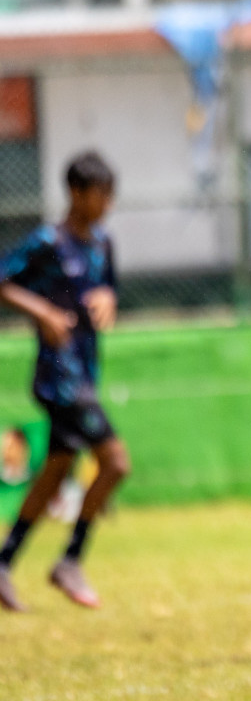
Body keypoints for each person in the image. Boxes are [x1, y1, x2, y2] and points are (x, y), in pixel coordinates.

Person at [0, 151, 129, 612]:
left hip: (87, 373)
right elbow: (3, 281)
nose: (107, 204)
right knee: (116, 463)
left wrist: (109, 299)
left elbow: (108, 289)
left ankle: (3, 563)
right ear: (76, 194)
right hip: (60, 380)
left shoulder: (103, 244)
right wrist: (43, 312)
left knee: (54, 474)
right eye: (101, 195)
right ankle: (70, 559)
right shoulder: (47, 242)